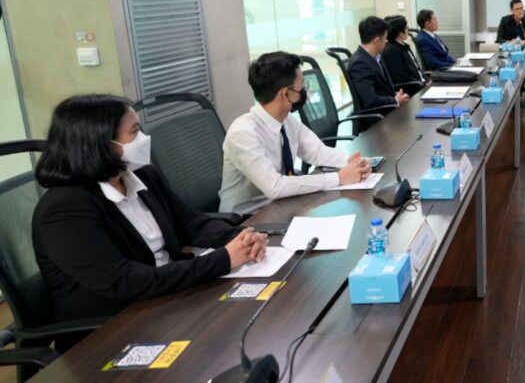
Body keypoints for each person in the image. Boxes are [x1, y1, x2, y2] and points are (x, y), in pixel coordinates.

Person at [32, 94, 269, 330]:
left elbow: (192, 224)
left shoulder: (142, 175)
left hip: (167, 295)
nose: (144, 139)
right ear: (101, 144)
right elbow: (126, 281)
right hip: (116, 324)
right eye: (135, 132)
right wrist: (223, 259)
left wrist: (241, 237)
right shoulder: (63, 210)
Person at [219, 51, 372, 213]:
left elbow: (316, 151)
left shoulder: (286, 120)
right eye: (301, 86)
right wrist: (339, 178)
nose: (305, 91)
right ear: (286, 93)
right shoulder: (243, 133)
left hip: (280, 205)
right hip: (248, 218)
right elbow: (275, 187)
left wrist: (351, 162)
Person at [348, 16, 412, 118]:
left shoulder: (376, 57)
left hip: (388, 111)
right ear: (377, 40)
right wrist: (395, 100)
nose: (386, 42)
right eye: (385, 39)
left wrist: (396, 95)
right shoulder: (359, 63)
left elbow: (381, 89)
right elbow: (370, 100)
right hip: (378, 118)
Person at [382, 15, 427, 95]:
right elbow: (400, 77)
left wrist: (426, 80)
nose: (408, 30)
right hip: (412, 90)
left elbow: (417, 69)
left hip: (420, 84)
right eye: (406, 27)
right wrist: (422, 84)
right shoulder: (391, 51)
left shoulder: (403, 45)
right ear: (400, 32)